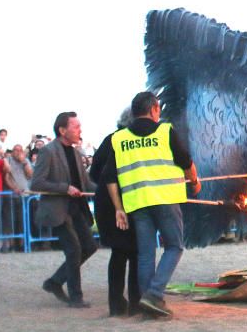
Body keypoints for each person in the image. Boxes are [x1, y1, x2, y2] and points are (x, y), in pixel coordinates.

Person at [106, 91, 200, 318]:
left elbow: (110, 177)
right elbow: (186, 161)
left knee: (146, 255)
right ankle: (154, 295)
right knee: (174, 246)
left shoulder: (119, 139)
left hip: (137, 204)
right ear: (153, 109)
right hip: (165, 199)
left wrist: (119, 208)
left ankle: (147, 304)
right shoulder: (165, 131)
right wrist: (195, 183)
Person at [30, 111, 97, 308]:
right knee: (74, 250)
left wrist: (110, 190)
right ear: (62, 130)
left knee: (89, 247)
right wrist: (64, 188)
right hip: (58, 211)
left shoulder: (76, 153)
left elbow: (86, 183)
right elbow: (37, 182)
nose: (80, 130)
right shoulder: (48, 151)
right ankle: (76, 297)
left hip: (76, 210)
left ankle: (55, 282)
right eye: (75, 126)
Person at [90, 108, 141, 317]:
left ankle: (116, 304)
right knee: (136, 253)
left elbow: (94, 172)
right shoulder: (129, 142)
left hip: (106, 203)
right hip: (127, 201)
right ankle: (135, 302)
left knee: (119, 254)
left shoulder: (109, 140)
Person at [5, 144, 34, 252]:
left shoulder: (25, 161)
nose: (18, 152)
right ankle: (13, 244)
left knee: (23, 221)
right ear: (12, 151)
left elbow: (30, 175)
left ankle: (23, 244)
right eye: (16, 150)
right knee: (12, 221)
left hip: (25, 195)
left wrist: (24, 162)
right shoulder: (8, 160)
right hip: (12, 195)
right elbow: (6, 177)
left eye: (20, 150)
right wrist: (14, 188)